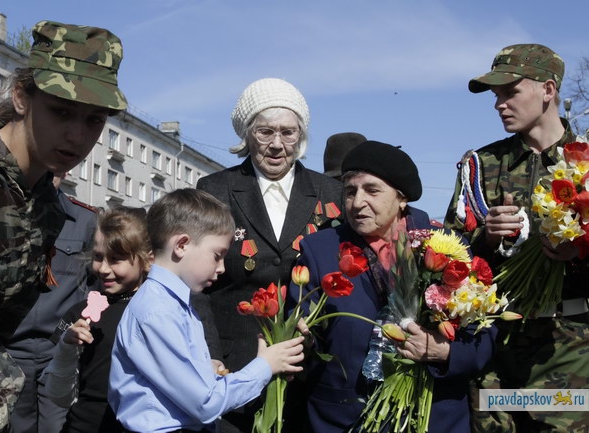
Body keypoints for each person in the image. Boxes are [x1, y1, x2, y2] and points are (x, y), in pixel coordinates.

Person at [0, 20, 127, 433]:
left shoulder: (41, 197)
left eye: (95, 120)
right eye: (61, 111)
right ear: (22, 97)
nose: (77, 136)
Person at [290, 141, 497, 433]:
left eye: (372, 190)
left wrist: (445, 353)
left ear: (402, 198)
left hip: (434, 418)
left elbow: (485, 336)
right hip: (345, 419)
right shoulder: (320, 250)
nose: (357, 202)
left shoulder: (447, 247)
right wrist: (303, 340)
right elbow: (303, 330)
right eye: (350, 191)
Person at [444, 43, 589, 432]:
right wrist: (486, 240)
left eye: (510, 92)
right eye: (496, 95)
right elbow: (446, 256)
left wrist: (578, 251)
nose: (499, 104)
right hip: (495, 347)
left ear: (548, 90)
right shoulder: (482, 166)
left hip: (569, 348)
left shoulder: (585, 161)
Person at [192, 77, 343, 433]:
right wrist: (209, 353)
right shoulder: (215, 190)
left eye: (288, 133)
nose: (277, 144)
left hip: (306, 370)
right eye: (265, 132)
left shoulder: (330, 192)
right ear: (247, 135)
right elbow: (196, 285)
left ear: (301, 136)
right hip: (234, 368)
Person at [108, 188, 306, 433]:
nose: (221, 268)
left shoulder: (172, 303)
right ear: (181, 245)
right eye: (217, 255)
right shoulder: (158, 311)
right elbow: (205, 403)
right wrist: (265, 366)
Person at [41, 206, 151, 433]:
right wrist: (66, 348)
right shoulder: (79, 314)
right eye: (98, 257)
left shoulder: (158, 311)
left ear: (147, 260)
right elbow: (58, 396)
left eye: (116, 259)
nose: (103, 269)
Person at [4, 173, 99, 433]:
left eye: (54, 170)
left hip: (60, 349)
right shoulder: (5, 214)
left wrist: (83, 328)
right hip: (11, 350)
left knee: (58, 427)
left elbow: (95, 286)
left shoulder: (86, 220)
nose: (47, 175)